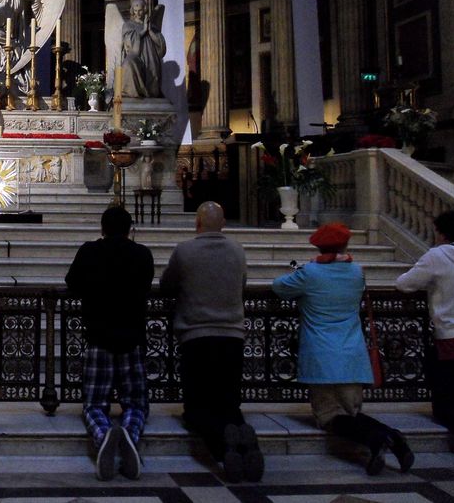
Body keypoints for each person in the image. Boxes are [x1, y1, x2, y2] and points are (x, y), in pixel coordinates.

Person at [274, 223, 414, 474]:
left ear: (318, 246)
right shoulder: (356, 272)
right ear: (346, 245)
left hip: (321, 355)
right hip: (351, 354)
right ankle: (392, 437)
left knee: (329, 416)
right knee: (351, 413)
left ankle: (379, 439)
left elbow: (279, 287)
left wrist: (306, 269)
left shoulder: (310, 274)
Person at [160, 201, 263, 483]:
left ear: (197, 223)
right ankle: (242, 435)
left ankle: (223, 449)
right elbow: (242, 285)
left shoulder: (184, 251)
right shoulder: (237, 250)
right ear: (224, 224)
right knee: (229, 402)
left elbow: (167, 285)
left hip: (196, 336)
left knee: (197, 407)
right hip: (231, 335)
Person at [65, 206, 154, 481]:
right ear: (130, 229)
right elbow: (147, 285)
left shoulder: (89, 251)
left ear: (102, 228)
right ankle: (129, 432)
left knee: (93, 404)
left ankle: (104, 436)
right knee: (136, 403)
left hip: (99, 336)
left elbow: (72, 284)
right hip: (132, 337)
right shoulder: (142, 254)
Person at [395, 210, 454, 451]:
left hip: (453, 338)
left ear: (442, 233)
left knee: (445, 404)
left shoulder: (438, 256)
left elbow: (405, 284)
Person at [121, 0, 166, 98]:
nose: (138, 13)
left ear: (144, 10)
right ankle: (134, 93)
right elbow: (128, 43)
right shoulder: (128, 25)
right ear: (132, 11)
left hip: (150, 56)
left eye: (140, 10)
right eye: (135, 10)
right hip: (137, 56)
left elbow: (161, 44)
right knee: (128, 64)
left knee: (153, 77)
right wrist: (143, 31)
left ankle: (151, 94)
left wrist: (149, 31)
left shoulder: (152, 26)